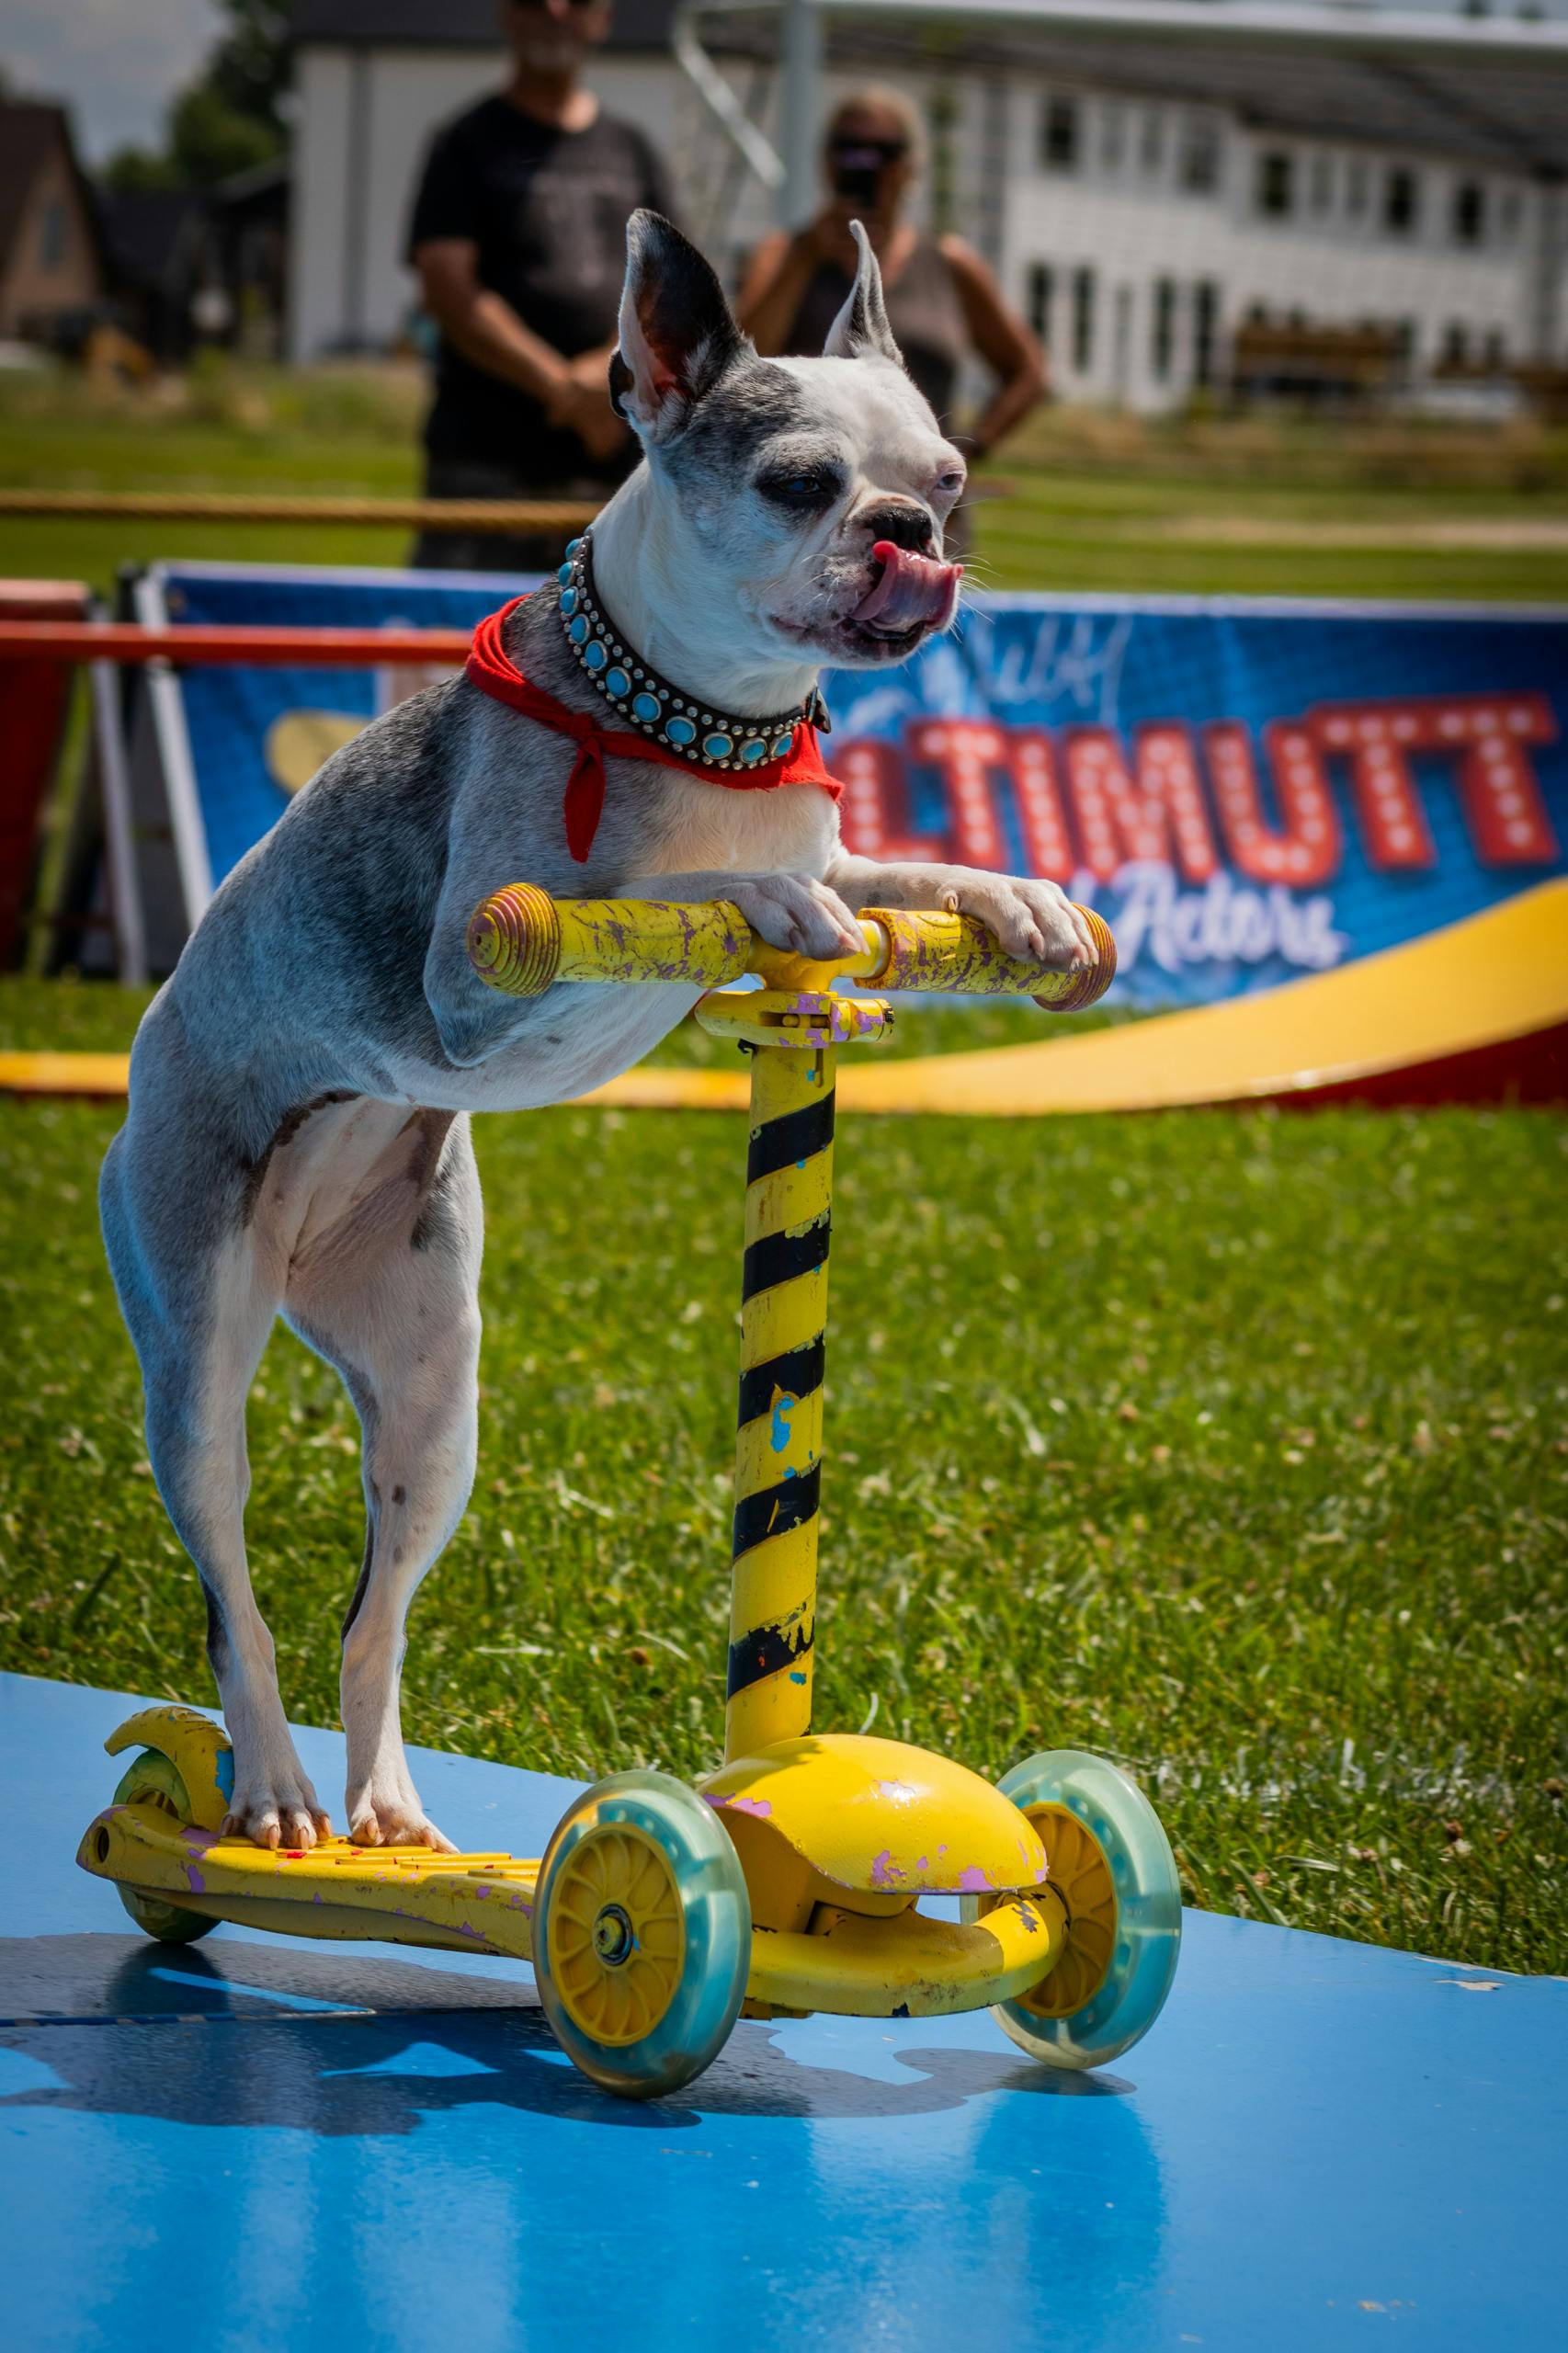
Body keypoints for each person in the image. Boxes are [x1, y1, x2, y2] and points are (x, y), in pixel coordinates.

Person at [405, 0, 678, 574]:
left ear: (602, 18)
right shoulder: (463, 142)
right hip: (484, 464)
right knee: (465, 650)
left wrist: (605, 374)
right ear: (506, 13)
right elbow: (447, 287)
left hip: (613, 467)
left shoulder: (635, 148)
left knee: (607, 654)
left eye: (576, 2)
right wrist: (563, 387)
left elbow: (669, 287)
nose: (555, 11)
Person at [737, 86, 1047, 515]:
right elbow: (739, 365)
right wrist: (805, 258)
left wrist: (966, 455)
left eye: (884, 150)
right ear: (826, 162)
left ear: (911, 166)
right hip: (811, 517)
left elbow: (1027, 372)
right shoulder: (784, 255)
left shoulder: (949, 263)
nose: (867, 164)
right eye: (849, 148)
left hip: (926, 509)